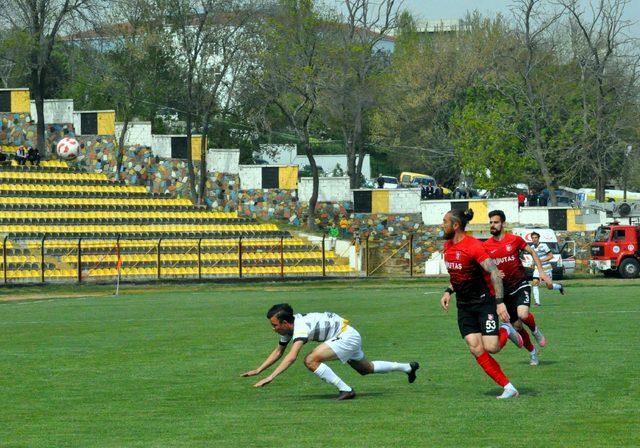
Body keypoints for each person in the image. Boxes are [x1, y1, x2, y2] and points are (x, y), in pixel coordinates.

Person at [241, 304, 420, 400]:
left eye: (275, 325)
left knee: (310, 360)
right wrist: (259, 370)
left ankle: (346, 390)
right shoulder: (290, 329)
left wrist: (271, 377)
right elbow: (279, 351)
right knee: (366, 368)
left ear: (286, 323)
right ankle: (407, 368)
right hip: (347, 333)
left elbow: (291, 356)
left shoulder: (300, 327)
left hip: (345, 335)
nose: (273, 329)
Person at [439, 209, 520, 399]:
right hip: (464, 305)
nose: (442, 225)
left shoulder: (474, 246)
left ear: (456, 225)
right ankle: (509, 387)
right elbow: (459, 276)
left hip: (484, 303)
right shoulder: (447, 247)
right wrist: (448, 291)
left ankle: (506, 330)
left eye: (445, 222)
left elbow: (494, 272)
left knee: (492, 347)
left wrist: (500, 303)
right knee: (475, 347)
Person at [483, 210, 552, 366]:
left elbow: (532, 252)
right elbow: (483, 267)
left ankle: (535, 331)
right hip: (503, 292)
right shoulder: (486, 246)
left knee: (523, 313)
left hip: (520, 284)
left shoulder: (514, 240)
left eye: (496, 222)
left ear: (503, 224)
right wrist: (492, 271)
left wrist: (541, 272)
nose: (493, 225)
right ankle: (533, 352)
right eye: (491, 222)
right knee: (517, 326)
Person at [530, 232, 565, 306]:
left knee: (549, 286)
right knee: (534, 283)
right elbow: (534, 257)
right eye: (533, 238)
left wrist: (541, 261)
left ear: (538, 238)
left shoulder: (543, 245)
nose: (534, 239)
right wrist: (533, 263)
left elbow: (551, 256)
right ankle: (537, 303)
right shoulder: (532, 247)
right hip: (537, 269)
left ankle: (560, 286)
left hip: (546, 268)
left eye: (535, 237)